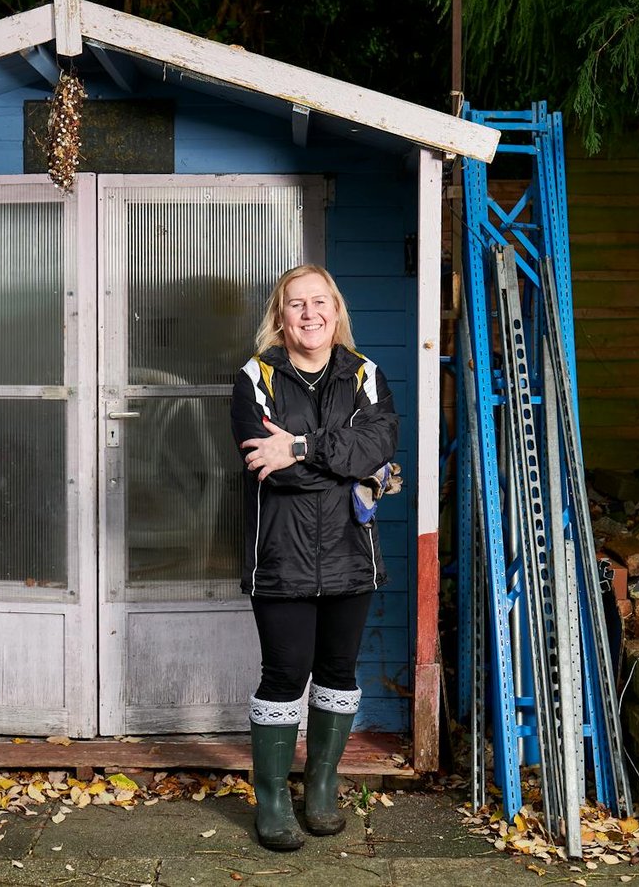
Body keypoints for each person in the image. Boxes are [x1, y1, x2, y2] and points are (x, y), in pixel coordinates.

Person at [230, 264, 399, 851]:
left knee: (337, 672)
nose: (309, 314)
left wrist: (299, 447)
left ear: (336, 309)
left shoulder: (365, 374)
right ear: (280, 314)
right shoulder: (257, 376)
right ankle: (273, 796)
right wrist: (343, 464)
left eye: (319, 302)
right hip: (281, 556)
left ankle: (321, 784)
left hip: (351, 554)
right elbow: (266, 469)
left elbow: (379, 447)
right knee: (284, 674)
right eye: (296, 304)